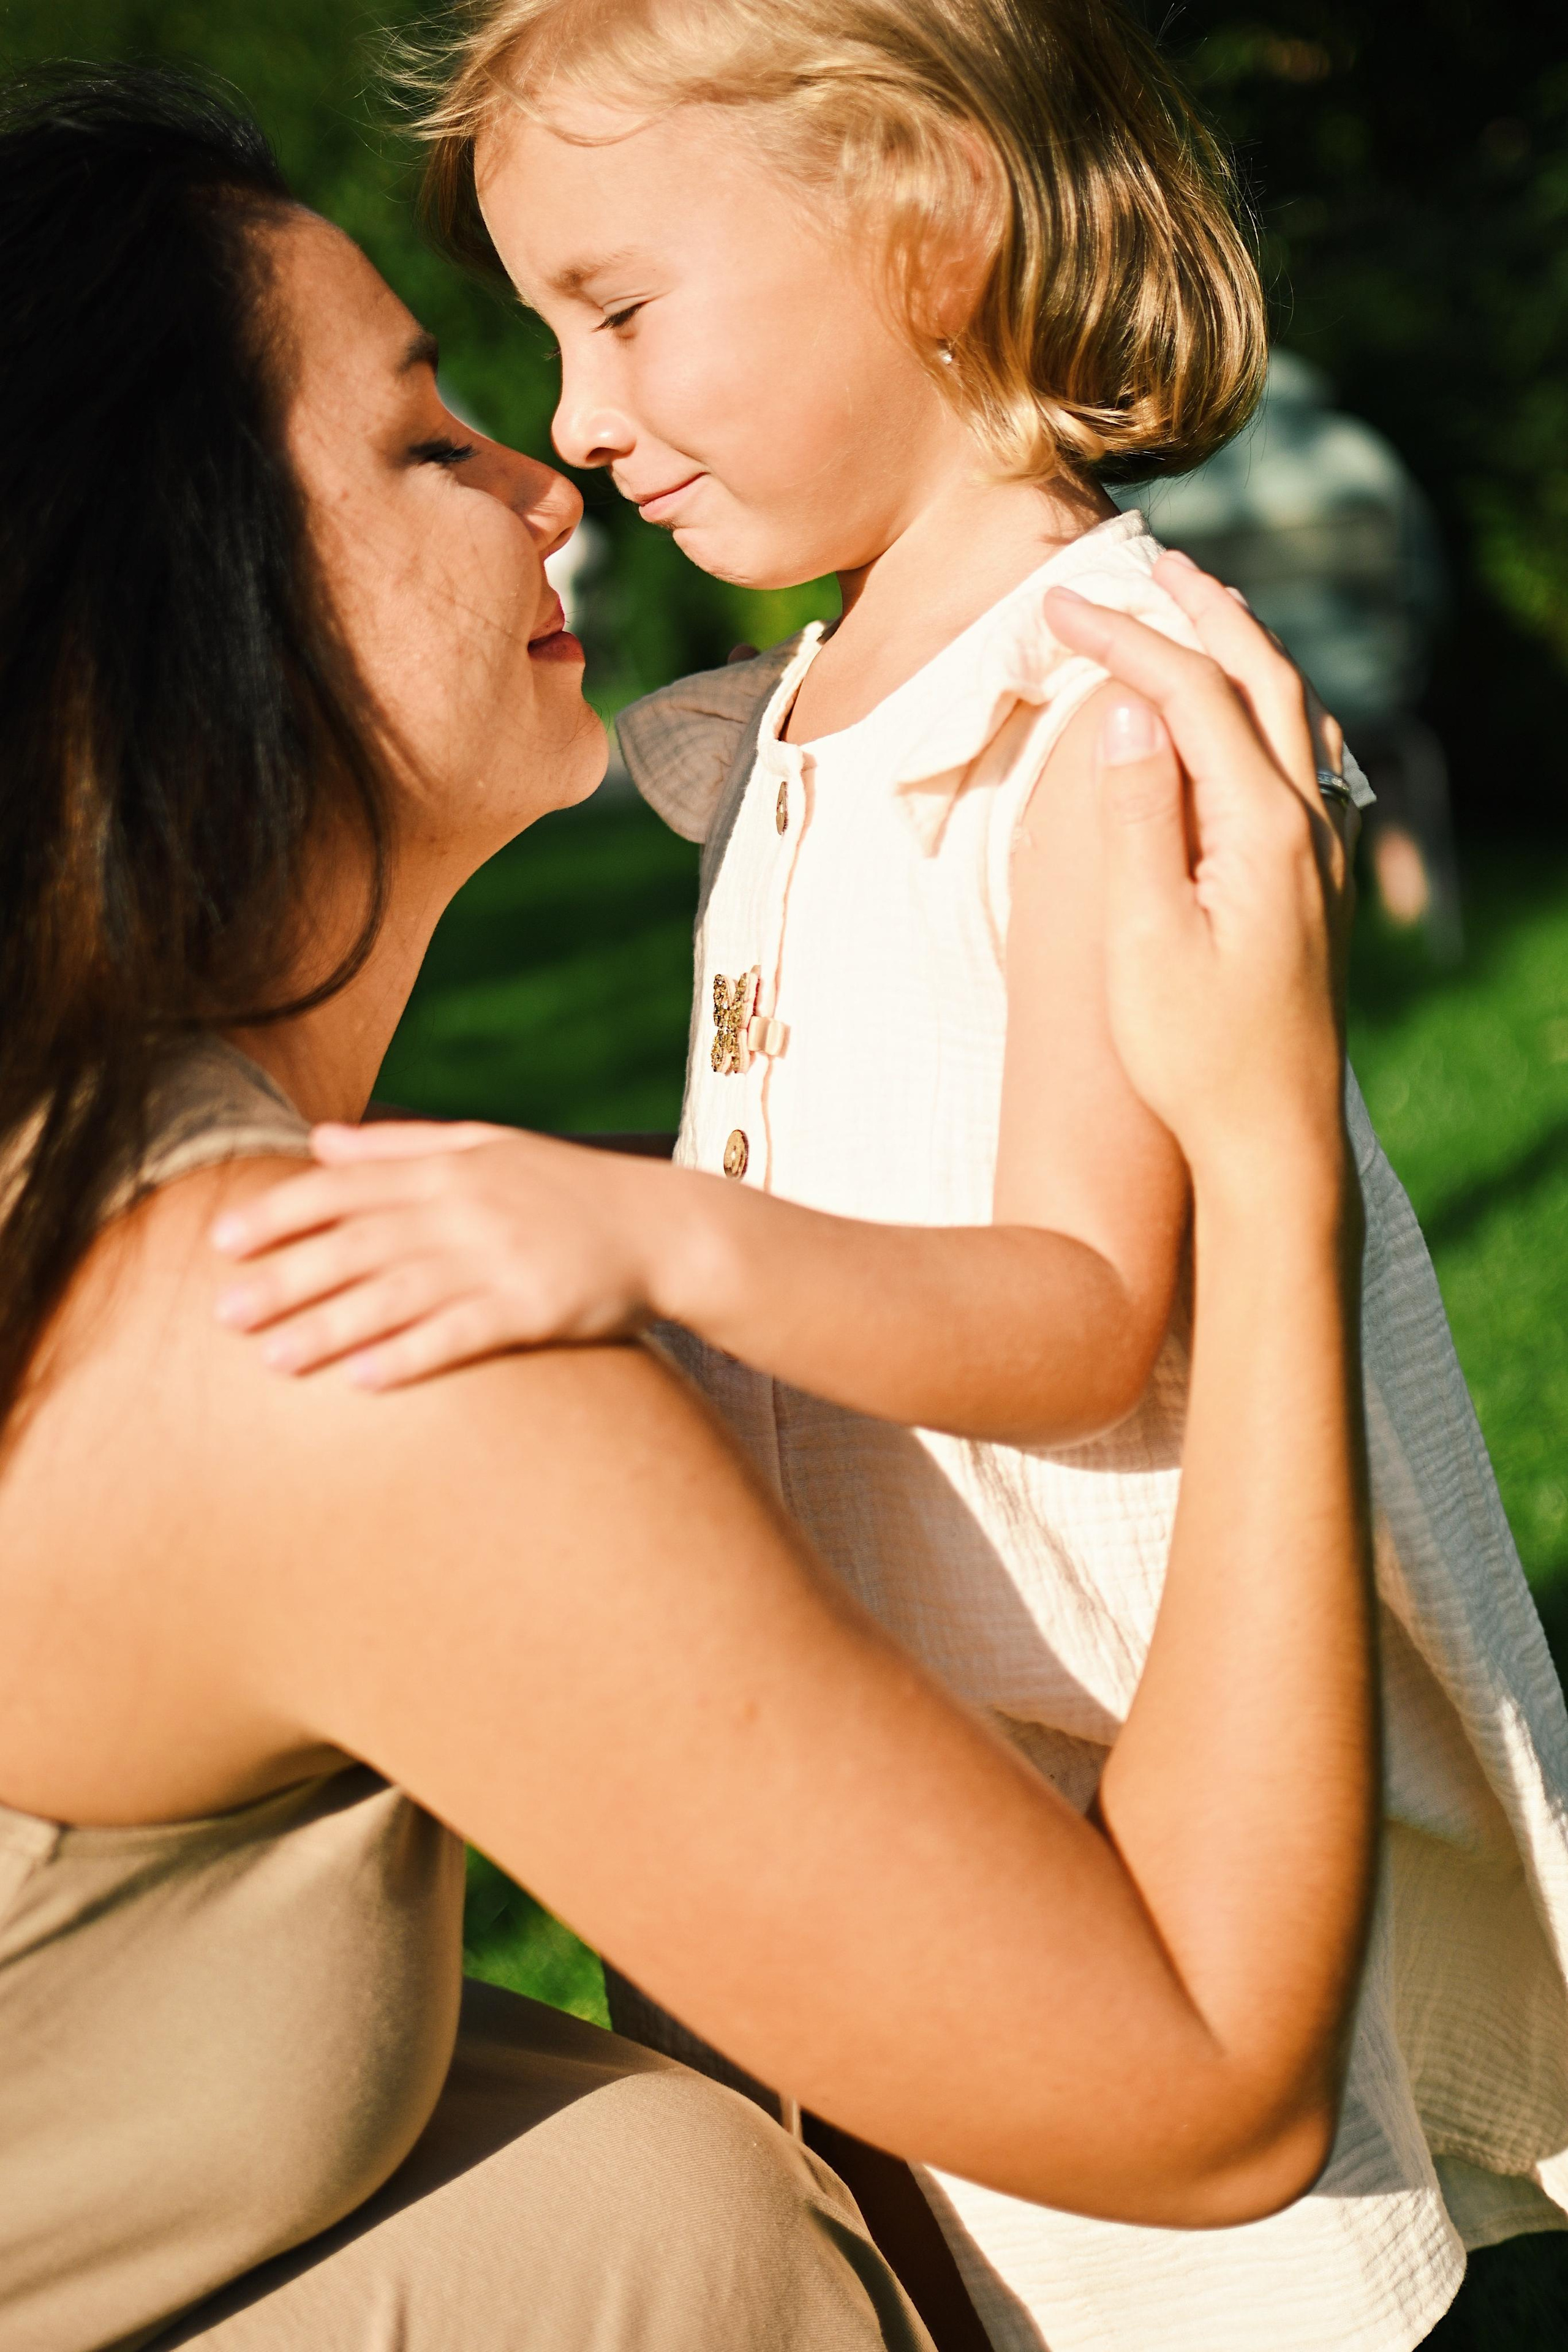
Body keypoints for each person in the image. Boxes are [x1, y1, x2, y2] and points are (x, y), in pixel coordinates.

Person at [0, 61, 1380, 2352]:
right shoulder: (304, 1347)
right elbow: (1211, 2100)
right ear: (191, 601)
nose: (556, 475)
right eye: (434, 440)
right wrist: (1262, 1165)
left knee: (659, 2193)